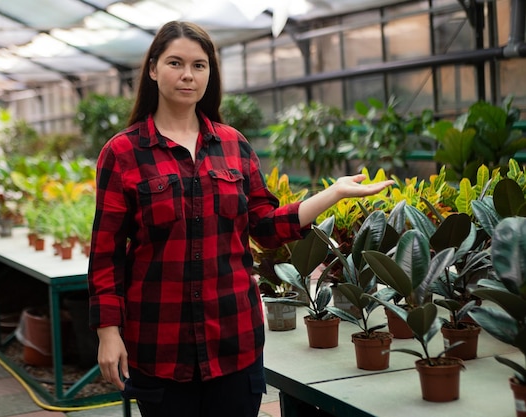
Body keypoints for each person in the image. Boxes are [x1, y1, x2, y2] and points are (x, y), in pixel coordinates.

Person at [87, 20, 394, 417]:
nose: (187, 75)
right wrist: (107, 333)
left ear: (210, 74)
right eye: (175, 63)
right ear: (152, 69)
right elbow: (105, 254)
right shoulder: (123, 153)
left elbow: (264, 227)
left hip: (234, 339)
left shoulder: (233, 146)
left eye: (199, 65)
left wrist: (332, 194)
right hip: (160, 343)